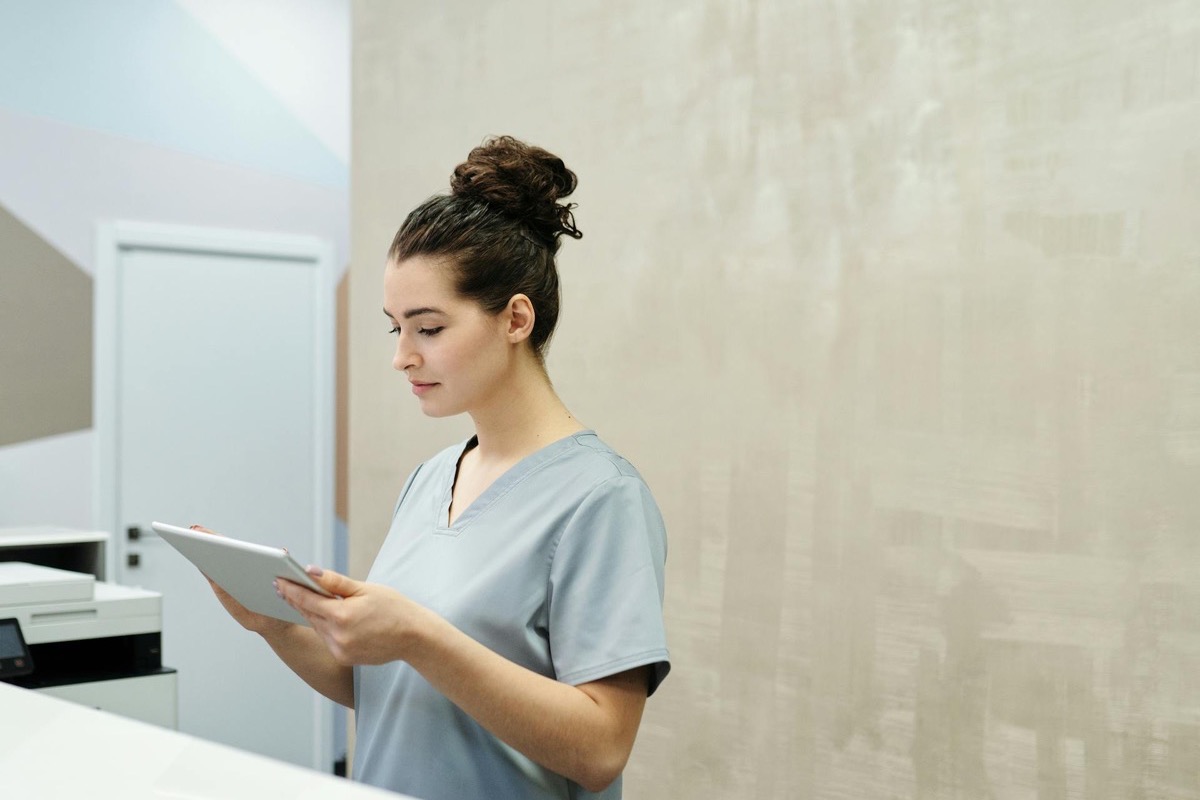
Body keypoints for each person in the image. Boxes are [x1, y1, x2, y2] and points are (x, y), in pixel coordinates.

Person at [203, 135, 671, 800]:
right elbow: (384, 686)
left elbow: (600, 749)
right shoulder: (430, 480)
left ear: (515, 319)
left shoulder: (602, 498)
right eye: (395, 327)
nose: (402, 356)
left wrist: (418, 635)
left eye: (428, 328)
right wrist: (274, 622)